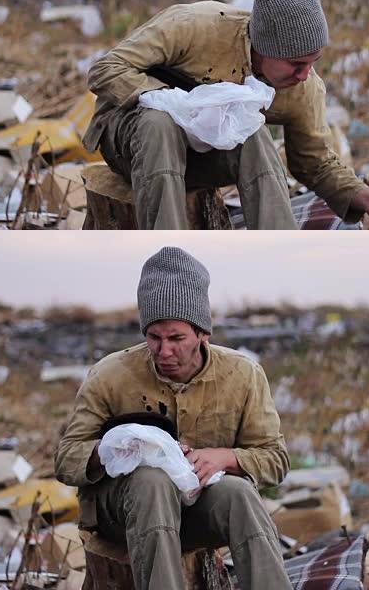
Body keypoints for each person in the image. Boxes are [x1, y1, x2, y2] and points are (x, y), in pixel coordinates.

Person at [83, 0, 369, 229]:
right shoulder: (194, 27)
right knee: (160, 124)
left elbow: (315, 162)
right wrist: (170, 101)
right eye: (296, 63)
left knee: (253, 135)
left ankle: (277, 260)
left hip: (197, 161)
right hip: (133, 144)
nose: (304, 74)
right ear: (264, 48)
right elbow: (106, 69)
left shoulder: (303, 86)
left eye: (313, 62)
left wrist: (361, 194)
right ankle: (171, 257)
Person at [55, 246, 291, 590]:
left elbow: (276, 459)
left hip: (195, 512)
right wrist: (111, 451)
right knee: (151, 481)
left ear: (202, 333)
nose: (164, 351)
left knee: (239, 494)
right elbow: (65, 458)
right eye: (154, 337)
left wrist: (225, 458)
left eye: (177, 338)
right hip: (123, 514)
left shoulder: (243, 375)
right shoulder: (110, 375)